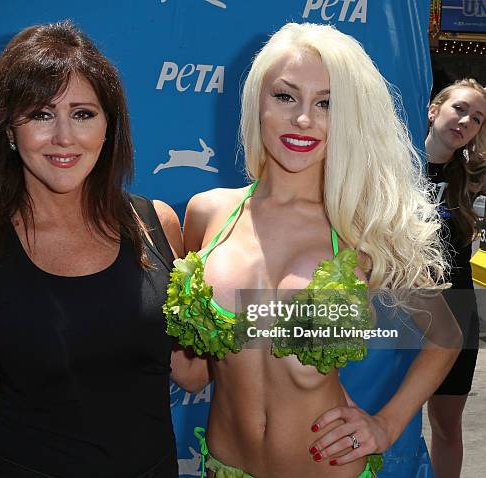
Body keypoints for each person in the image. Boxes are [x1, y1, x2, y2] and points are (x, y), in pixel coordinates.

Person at [165, 23, 460, 477]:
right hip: (222, 467)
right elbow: (193, 373)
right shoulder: (209, 214)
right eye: (285, 96)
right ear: (257, 101)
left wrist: (386, 422)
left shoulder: (363, 227)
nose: (304, 119)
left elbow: (446, 337)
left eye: (327, 103)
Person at [0, 20, 204, 477]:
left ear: (108, 127)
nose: (64, 137)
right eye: (41, 114)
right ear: (8, 131)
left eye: (83, 113)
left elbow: (192, 371)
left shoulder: (156, 225)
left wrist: (277, 300)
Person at [425, 78, 486, 478]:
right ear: (434, 110)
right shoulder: (391, 165)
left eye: (477, 118)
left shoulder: (474, 177)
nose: (466, 120)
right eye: (460, 108)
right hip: (398, 311)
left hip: (458, 313)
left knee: (446, 428)